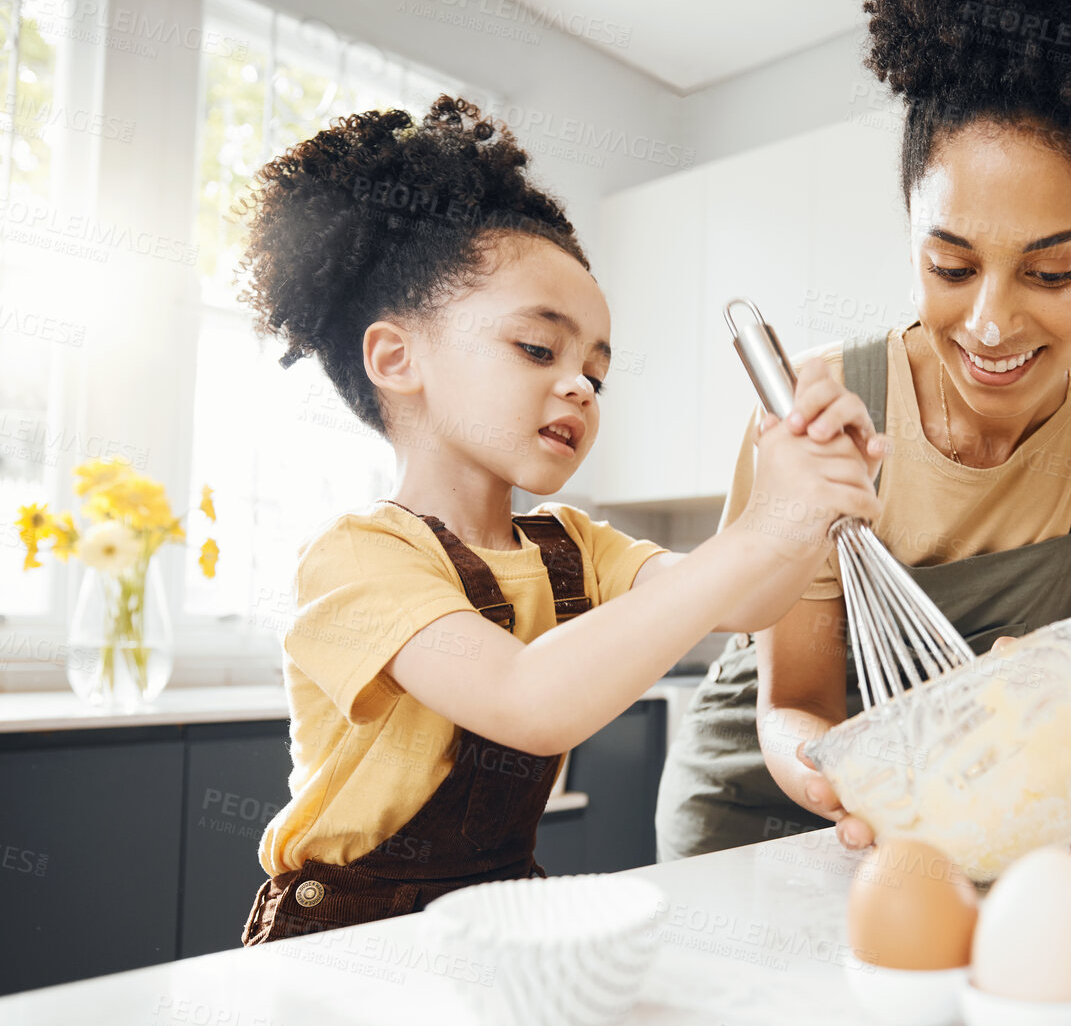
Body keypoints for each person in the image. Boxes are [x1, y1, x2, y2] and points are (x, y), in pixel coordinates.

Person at [238, 96, 883, 944]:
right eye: (539, 349)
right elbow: (527, 697)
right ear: (397, 358)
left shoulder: (571, 546)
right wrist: (766, 525)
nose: (579, 384)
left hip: (494, 912)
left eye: (597, 372)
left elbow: (742, 604)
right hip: (339, 935)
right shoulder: (358, 559)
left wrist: (800, 503)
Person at [655, 0, 1071, 861]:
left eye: (1051, 272)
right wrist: (848, 777)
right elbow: (794, 703)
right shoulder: (822, 412)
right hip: (767, 804)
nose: (990, 323)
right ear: (911, 236)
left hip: (974, 810)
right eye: (952, 266)